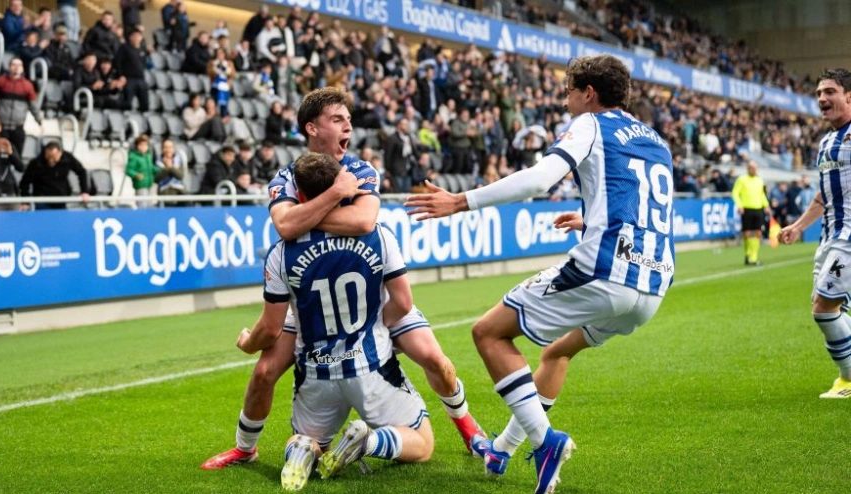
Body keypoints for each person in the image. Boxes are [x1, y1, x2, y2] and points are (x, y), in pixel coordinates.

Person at [405, 54, 675, 494]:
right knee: (554, 355)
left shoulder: (592, 123)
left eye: (570, 90)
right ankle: (501, 451)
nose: (566, 99)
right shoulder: (657, 140)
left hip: (605, 272)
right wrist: (592, 221)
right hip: (653, 285)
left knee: (489, 332)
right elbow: (646, 207)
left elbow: (539, 180)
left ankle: (545, 442)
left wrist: (460, 202)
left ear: (589, 93)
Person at [201, 87, 485, 471]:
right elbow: (286, 225)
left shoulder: (362, 169)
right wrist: (335, 194)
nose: (348, 125)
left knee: (436, 359)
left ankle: (469, 430)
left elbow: (358, 221)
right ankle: (244, 448)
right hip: (311, 298)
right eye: (338, 119)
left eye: (348, 119)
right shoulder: (287, 177)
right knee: (265, 372)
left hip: (374, 300)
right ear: (312, 128)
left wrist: (306, 219)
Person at [237, 152, 433, 490]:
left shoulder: (281, 253)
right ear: (344, 189)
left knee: (309, 440)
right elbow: (403, 302)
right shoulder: (379, 235)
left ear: (298, 196)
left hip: (317, 374)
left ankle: (301, 449)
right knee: (423, 442)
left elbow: (271, 328)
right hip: (369, 367)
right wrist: (377, 328)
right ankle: (368, 443)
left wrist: (247, 343)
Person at [779, 68, 851, 399]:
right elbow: (822, 196)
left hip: (849, 238)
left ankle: (849, 379)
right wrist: (797, 226)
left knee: (824, 307)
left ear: (849, 96)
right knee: (826, 306)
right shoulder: (825, 143)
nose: (822, 98)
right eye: (819, 93)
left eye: (830, 92)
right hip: (829, 238)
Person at [0, 57, 40, 153]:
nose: (16, 67)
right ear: (9, 67)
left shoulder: (27, 85)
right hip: (1, 126)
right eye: (14, 65)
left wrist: (39, 120)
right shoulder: (0, 81)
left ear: (22, 68)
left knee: (17, 155)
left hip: (18, 127)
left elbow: (33, 105)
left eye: (19, 65)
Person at [19, 141, 90, 210]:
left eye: (53, 157)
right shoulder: (36, 163)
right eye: (48, 157)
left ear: (60, 153)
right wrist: (25, 202)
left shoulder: (67, 158)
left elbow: (82, 172)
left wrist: (84, 191)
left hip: (61, 199)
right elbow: (25, 182)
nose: (51, 160)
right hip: (42, 199)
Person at [731, 162, 771, 266]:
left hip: (758, 209)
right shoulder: (742, 179)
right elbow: (735, 192)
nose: (753, 170)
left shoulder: (759, 180)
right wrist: (739, 205)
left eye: (755, 168)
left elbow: (761, 194)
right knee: (747, 233)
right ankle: (748, 254)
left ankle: (754, 257)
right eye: (751, 168)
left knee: (758, 233)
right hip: (746, 209)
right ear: (748, 168)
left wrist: (766, 205)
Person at [114, 28, 149, 112]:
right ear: (130, 37)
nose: (136, 38)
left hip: (141, 79)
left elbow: (144, 63)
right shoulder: (124, 48)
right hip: (129, 78)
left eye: (138, 36)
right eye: (134, 36)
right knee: (127, 103)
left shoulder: (142, 50)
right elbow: (117, 62)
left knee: (145, 103)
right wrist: (120, 75)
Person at [125, 135, 156, 207]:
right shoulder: (134, 156)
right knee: (142, 205)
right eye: (141, 144)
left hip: (150, 183)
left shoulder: (148, 155)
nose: (143, 147)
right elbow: (128, 170)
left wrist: (158, 170)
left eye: (145, 144)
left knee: (150, 205)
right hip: (141, 185)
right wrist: (136, 175)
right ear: (137, 146)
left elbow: (151, 167)